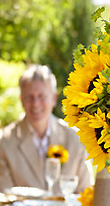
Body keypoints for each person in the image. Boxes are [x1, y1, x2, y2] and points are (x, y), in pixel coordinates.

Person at [0, 64, 92, 194]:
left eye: (42, 97)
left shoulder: (75, 138)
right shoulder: (5, 142)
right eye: (29, 97)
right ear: (21, 100)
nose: (35, 104)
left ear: (54, 98)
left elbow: (86, 193)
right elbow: (4, 198)